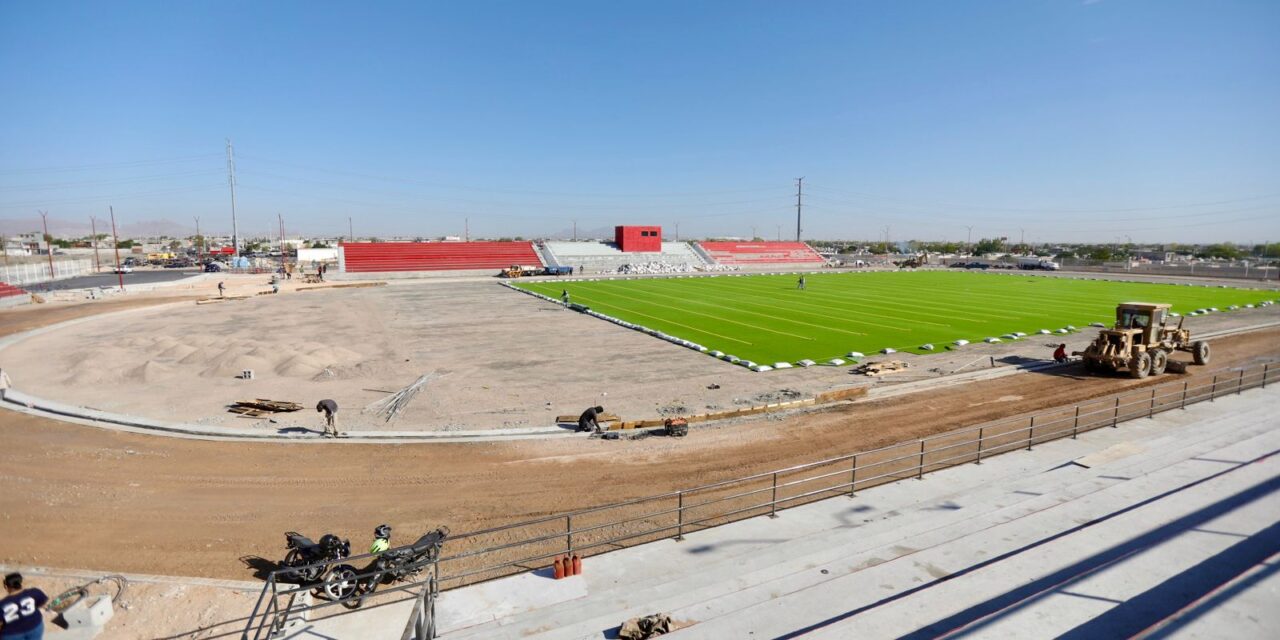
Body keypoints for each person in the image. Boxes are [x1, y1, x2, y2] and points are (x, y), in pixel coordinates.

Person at [1, 572, 48, 640]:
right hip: (35, 626)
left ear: (6, 586)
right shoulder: (35, 592)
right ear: (20, 582)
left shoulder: (2, 604)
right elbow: (42, 604)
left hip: (12, 634)